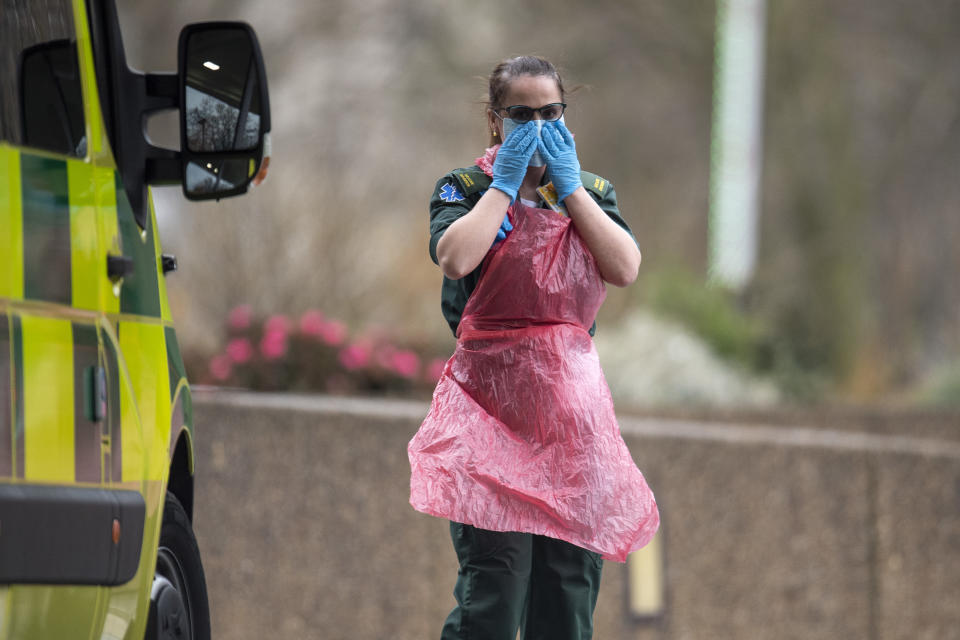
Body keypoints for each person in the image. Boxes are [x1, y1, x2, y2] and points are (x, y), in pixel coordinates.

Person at [408, 55, 659, 640]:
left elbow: (624, 267)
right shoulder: (463, 187)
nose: (539, 125)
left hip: (572, 426)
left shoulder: (591, 192)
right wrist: (501, 189)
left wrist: (569, 190)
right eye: (522, 115)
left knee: (568, 589)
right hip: (487, 417)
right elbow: (454, 258)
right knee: (493, 591)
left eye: (552, 112)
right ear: (496, 121)